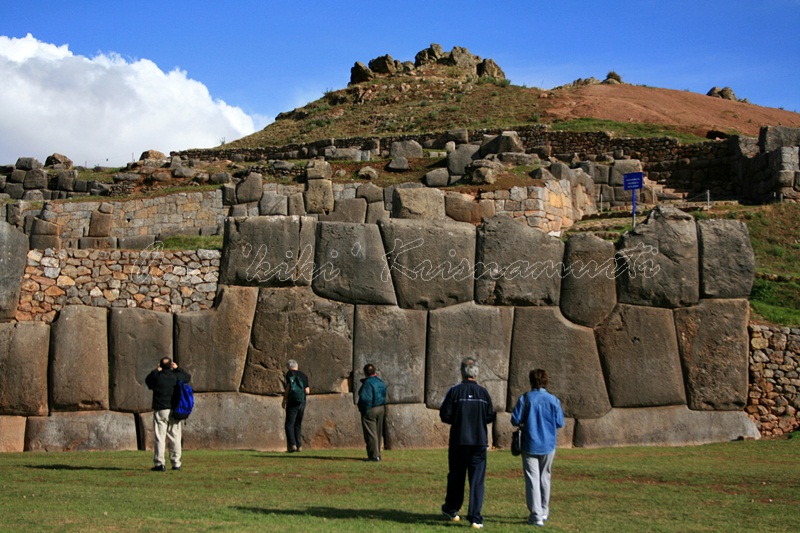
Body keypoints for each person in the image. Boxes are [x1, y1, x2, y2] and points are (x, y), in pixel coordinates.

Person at [439, 357, 496, 529]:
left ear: (462, 372)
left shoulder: (454, 392)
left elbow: (445, 415)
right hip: (478, 442)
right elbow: (489, 416)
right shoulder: (484, 393)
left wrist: (458, 419)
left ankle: (452, 508)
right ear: (476, 373)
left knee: (456, 476)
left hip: (459, 441)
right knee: (477, 480)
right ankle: (475, 517)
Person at [510, 368, 565, 527]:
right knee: (545, 477)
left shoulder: (525, 398)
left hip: (530, 443)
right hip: (548, 444)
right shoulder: (553, 400)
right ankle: (544, 510)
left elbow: (515, 419)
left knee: (532, 479)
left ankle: (536, 515)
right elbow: (560, 422)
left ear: (531, 381)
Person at [145, 357, 191, 471]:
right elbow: (187, 378)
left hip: (161, 409)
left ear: (160, 365)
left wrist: (156, 370)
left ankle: (159, 463)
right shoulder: (176, 376)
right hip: (175, 410)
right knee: (175, 436)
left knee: (160, 437)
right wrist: (177, 369)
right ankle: (176, 463)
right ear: (171, 365)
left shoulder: (157, 377)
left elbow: (148, 381)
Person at [357, 363, 387, 462]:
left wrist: (364, 409)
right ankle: (377, 453)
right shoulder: (381, 382)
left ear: (365, 373)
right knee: (378, 432)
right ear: (374, 372)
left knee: (371, 433)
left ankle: (374, 456)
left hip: (371, 409)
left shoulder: (367, 383)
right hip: (381, 408)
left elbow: (365, 398)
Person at [282, 359, 309, 453]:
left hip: (292, 401)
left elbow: (288, 387)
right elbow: (307, 391)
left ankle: (292, 445)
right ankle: (299, 445)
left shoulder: (289, 374)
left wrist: (284, 399)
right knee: (298, 424)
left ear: (289, 367)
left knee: (289, 424)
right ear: (297, 366)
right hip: (302, 401)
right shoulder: (304, 375)